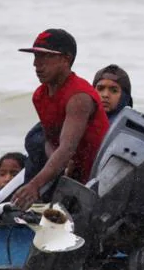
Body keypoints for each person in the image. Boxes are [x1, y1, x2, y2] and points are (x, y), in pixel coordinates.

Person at [12, 29, 112, 210]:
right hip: (69, 174)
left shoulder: (79, 96)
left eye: (45, 57)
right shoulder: (39, 96)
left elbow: (67, 148)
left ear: (66, 59)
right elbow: (51, 141)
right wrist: (59, 166)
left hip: (98, 179)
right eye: (35, 57)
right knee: (34, 140)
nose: (36, 64)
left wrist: (35, 185)